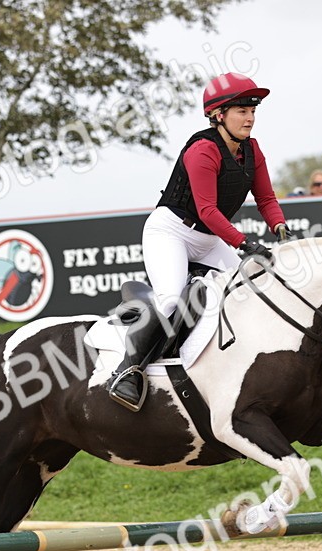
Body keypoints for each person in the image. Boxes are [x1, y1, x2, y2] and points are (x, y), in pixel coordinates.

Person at [108, 72, 289, 412]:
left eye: (253, 110)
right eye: (241, 110)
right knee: (170, 300)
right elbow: (206, 209)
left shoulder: (252, 149)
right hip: (171, 231)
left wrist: (280, 227)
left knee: (258, 290)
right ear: (218, 115)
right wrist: (244, 243)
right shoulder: (203, 149)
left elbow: (266, 199)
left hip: (207, 237)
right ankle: (127, 372)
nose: (250, 117)